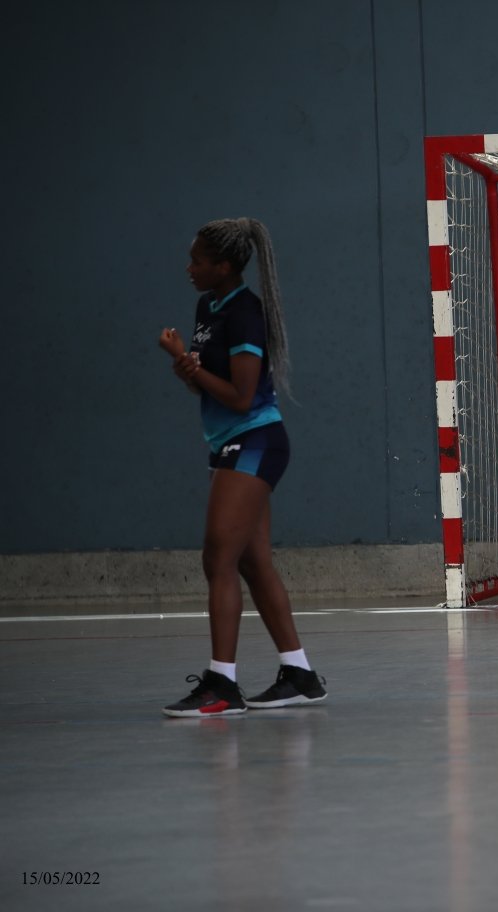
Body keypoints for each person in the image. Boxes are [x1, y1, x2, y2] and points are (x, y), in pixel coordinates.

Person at [158, 217, 326, 716]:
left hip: (254, 441)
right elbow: (208, 385)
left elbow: (241, 397)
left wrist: (195, 370)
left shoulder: (246, 313)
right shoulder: (207, 307)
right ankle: (299, 674)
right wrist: (187, 368)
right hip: (230, 443)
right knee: (251, 562)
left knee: (218, 559)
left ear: (225, 266)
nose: (189, 268)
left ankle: (221, 685)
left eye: (198, 261)